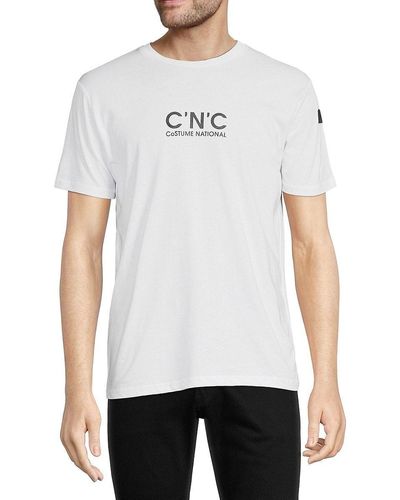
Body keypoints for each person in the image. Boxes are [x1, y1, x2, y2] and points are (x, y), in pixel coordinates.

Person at [55, 0, 346, 498]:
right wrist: (76, 387)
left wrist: (328, 379)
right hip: (143, 369)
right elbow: (82, 246)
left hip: (260, 367)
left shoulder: (287, 89)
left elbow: (311, 245)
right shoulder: (102, 90)